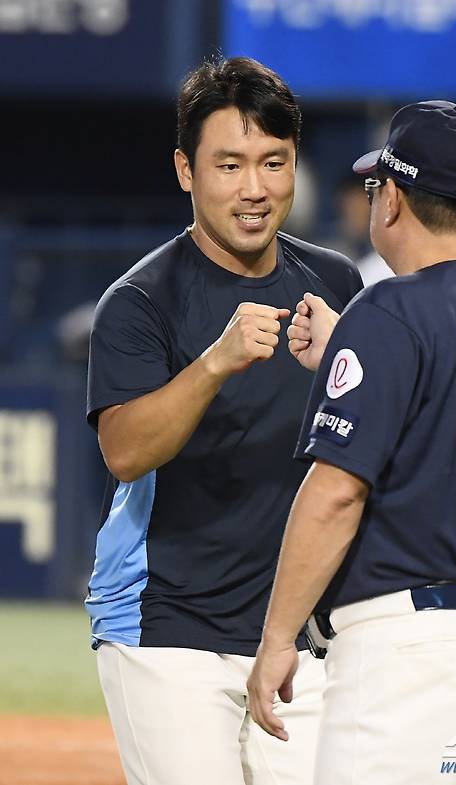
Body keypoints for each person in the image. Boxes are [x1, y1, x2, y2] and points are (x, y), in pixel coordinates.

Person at [248, 101, 456, 784]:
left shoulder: (390, 306)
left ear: (393, 199)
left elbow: (335, 493)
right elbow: (441, 411)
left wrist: (274, 639)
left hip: (416, 654)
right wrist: (348, 353)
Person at [85, 57, 362, 785]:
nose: (254, 188)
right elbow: (124, 451)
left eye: (273, 162)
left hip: (292, 634)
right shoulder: (140, 300)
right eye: (229, 164)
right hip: (163, 626)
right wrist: (214, 362)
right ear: (186, 170)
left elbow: (370, 447)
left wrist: (350, 371)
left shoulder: (336, 283)